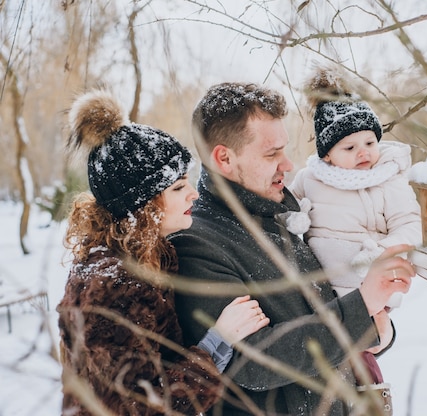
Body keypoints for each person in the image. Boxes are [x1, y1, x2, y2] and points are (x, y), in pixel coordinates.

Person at [169, 81, 415, 416]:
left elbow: (326, 314)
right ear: (224, 158)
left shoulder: (280, 216)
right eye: (272, 154)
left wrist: (375, 323)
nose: (287, 164)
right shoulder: (197, 243)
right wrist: (363, 306)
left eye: (284, 149)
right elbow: (252, 363)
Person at [56, 90, 269, 416]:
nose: (194, 195)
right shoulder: (112, 285)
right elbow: (138, 406)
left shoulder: (148, 257)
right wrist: (218, 342)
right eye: (178, 187)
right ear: (142, 204)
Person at [288, 69, 423, 391]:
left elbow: (409, 223)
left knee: (363, 350)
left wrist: (384, 251)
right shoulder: (310, 178)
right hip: (320, 287)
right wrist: (296, 220)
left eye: (369, 142)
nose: (363, 152)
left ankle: (370, 395)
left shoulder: (388, 179)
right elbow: (287, 205)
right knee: (332, 351)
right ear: (328, 155)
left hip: (368, 282)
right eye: (349, 148)